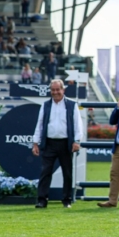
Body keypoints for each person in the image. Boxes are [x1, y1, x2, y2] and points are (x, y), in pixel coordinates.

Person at [31, 79, 83, 209]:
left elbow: (78, 125)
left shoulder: (72, 105)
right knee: (45, 172)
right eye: (53, 90)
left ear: (63, 90)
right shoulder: (46, 105)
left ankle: (67, 200)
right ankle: (42, 200)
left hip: (66, 143)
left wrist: (77, 141)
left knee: (67, 172)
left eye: (57, 89)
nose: (55, 92)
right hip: (49, 143)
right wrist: (35, 143)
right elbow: (40, 124)